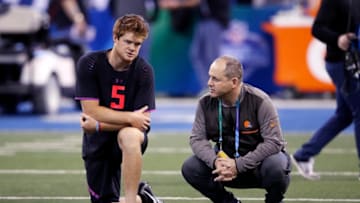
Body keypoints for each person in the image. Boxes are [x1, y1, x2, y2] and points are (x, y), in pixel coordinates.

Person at [75, 14, 162, 203]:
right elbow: (91, 111)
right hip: (97, 141)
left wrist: (98, 125)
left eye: (137, 44)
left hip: (124, 137)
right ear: (115, 38)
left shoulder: (144, 71)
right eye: (128, 42)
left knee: (130, 135)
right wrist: (130, 117)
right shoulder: (90, 63)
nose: (132, 48)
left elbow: (142, 123)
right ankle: (144, 199)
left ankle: (131, 200)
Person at [181, 55, 291, 203]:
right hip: (224, 167)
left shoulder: (260, 101)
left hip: (257, 166)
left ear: (234, 82)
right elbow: (197, 139)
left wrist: (238, 165)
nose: (209, 83)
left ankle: (273, 200)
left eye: (215, 79)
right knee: (191, 168)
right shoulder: (205, 102)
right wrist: (215, 162)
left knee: (276, 166)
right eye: (209, 77)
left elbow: (274, 142)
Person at [291, 0, 360, 181]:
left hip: (354, 62)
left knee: (344, 114)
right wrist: (338, 39)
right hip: (342, 63)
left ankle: (304, 154)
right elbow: (317, 28)